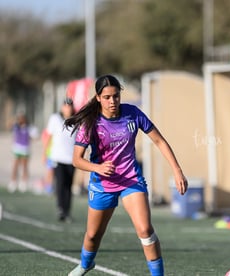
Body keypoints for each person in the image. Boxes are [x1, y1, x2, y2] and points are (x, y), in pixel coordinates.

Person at [64, 74, 188, 276]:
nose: (112, 101)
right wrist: (98, 168)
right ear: (98, 98)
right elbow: (77, 159)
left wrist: (177, 170)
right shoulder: (90, 123)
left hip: (131, 180)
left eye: (116, 96)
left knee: (145, 230)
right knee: (94, 235)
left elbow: (160, 141)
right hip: (102, 184)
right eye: (107, 97)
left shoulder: (133, 114)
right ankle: (86, 264)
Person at [43, 98, 76, 222]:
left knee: (69, 185)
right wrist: (45, 153)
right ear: (62, 107)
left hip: (71, 158)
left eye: (70, 106)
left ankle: (67, 210)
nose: (68, 108)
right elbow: (48, 136)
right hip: (58, 157)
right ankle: (61, 208)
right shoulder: (55, 119)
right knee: (60, 183)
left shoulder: (76, 120)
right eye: (66, 106)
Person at [9, 113, 32, 193]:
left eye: (22, 118)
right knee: (15, 166)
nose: (21, 120)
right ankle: (13, 182)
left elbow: (32, 137)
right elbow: (10, 126)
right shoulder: (16, 126)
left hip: (25, 149)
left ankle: (23, 182)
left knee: (24, 166)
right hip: (17, 149)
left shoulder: (29, 128)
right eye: (20, 118)